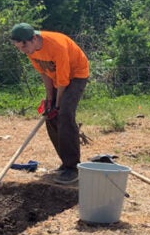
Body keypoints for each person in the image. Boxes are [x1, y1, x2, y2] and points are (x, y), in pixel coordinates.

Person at [10, 23, 90, 185]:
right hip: (57, 78)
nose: (22, 51)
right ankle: (65, 162)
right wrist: (49, 101)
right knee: (50, 116)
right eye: (18, 48)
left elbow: (63, 81)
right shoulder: (31, 50)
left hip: (76, 75)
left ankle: (72, 168)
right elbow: (45, 74)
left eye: (23, 46)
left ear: (34, 39)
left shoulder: (56, 45)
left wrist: (57, 105)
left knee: (64, 114)